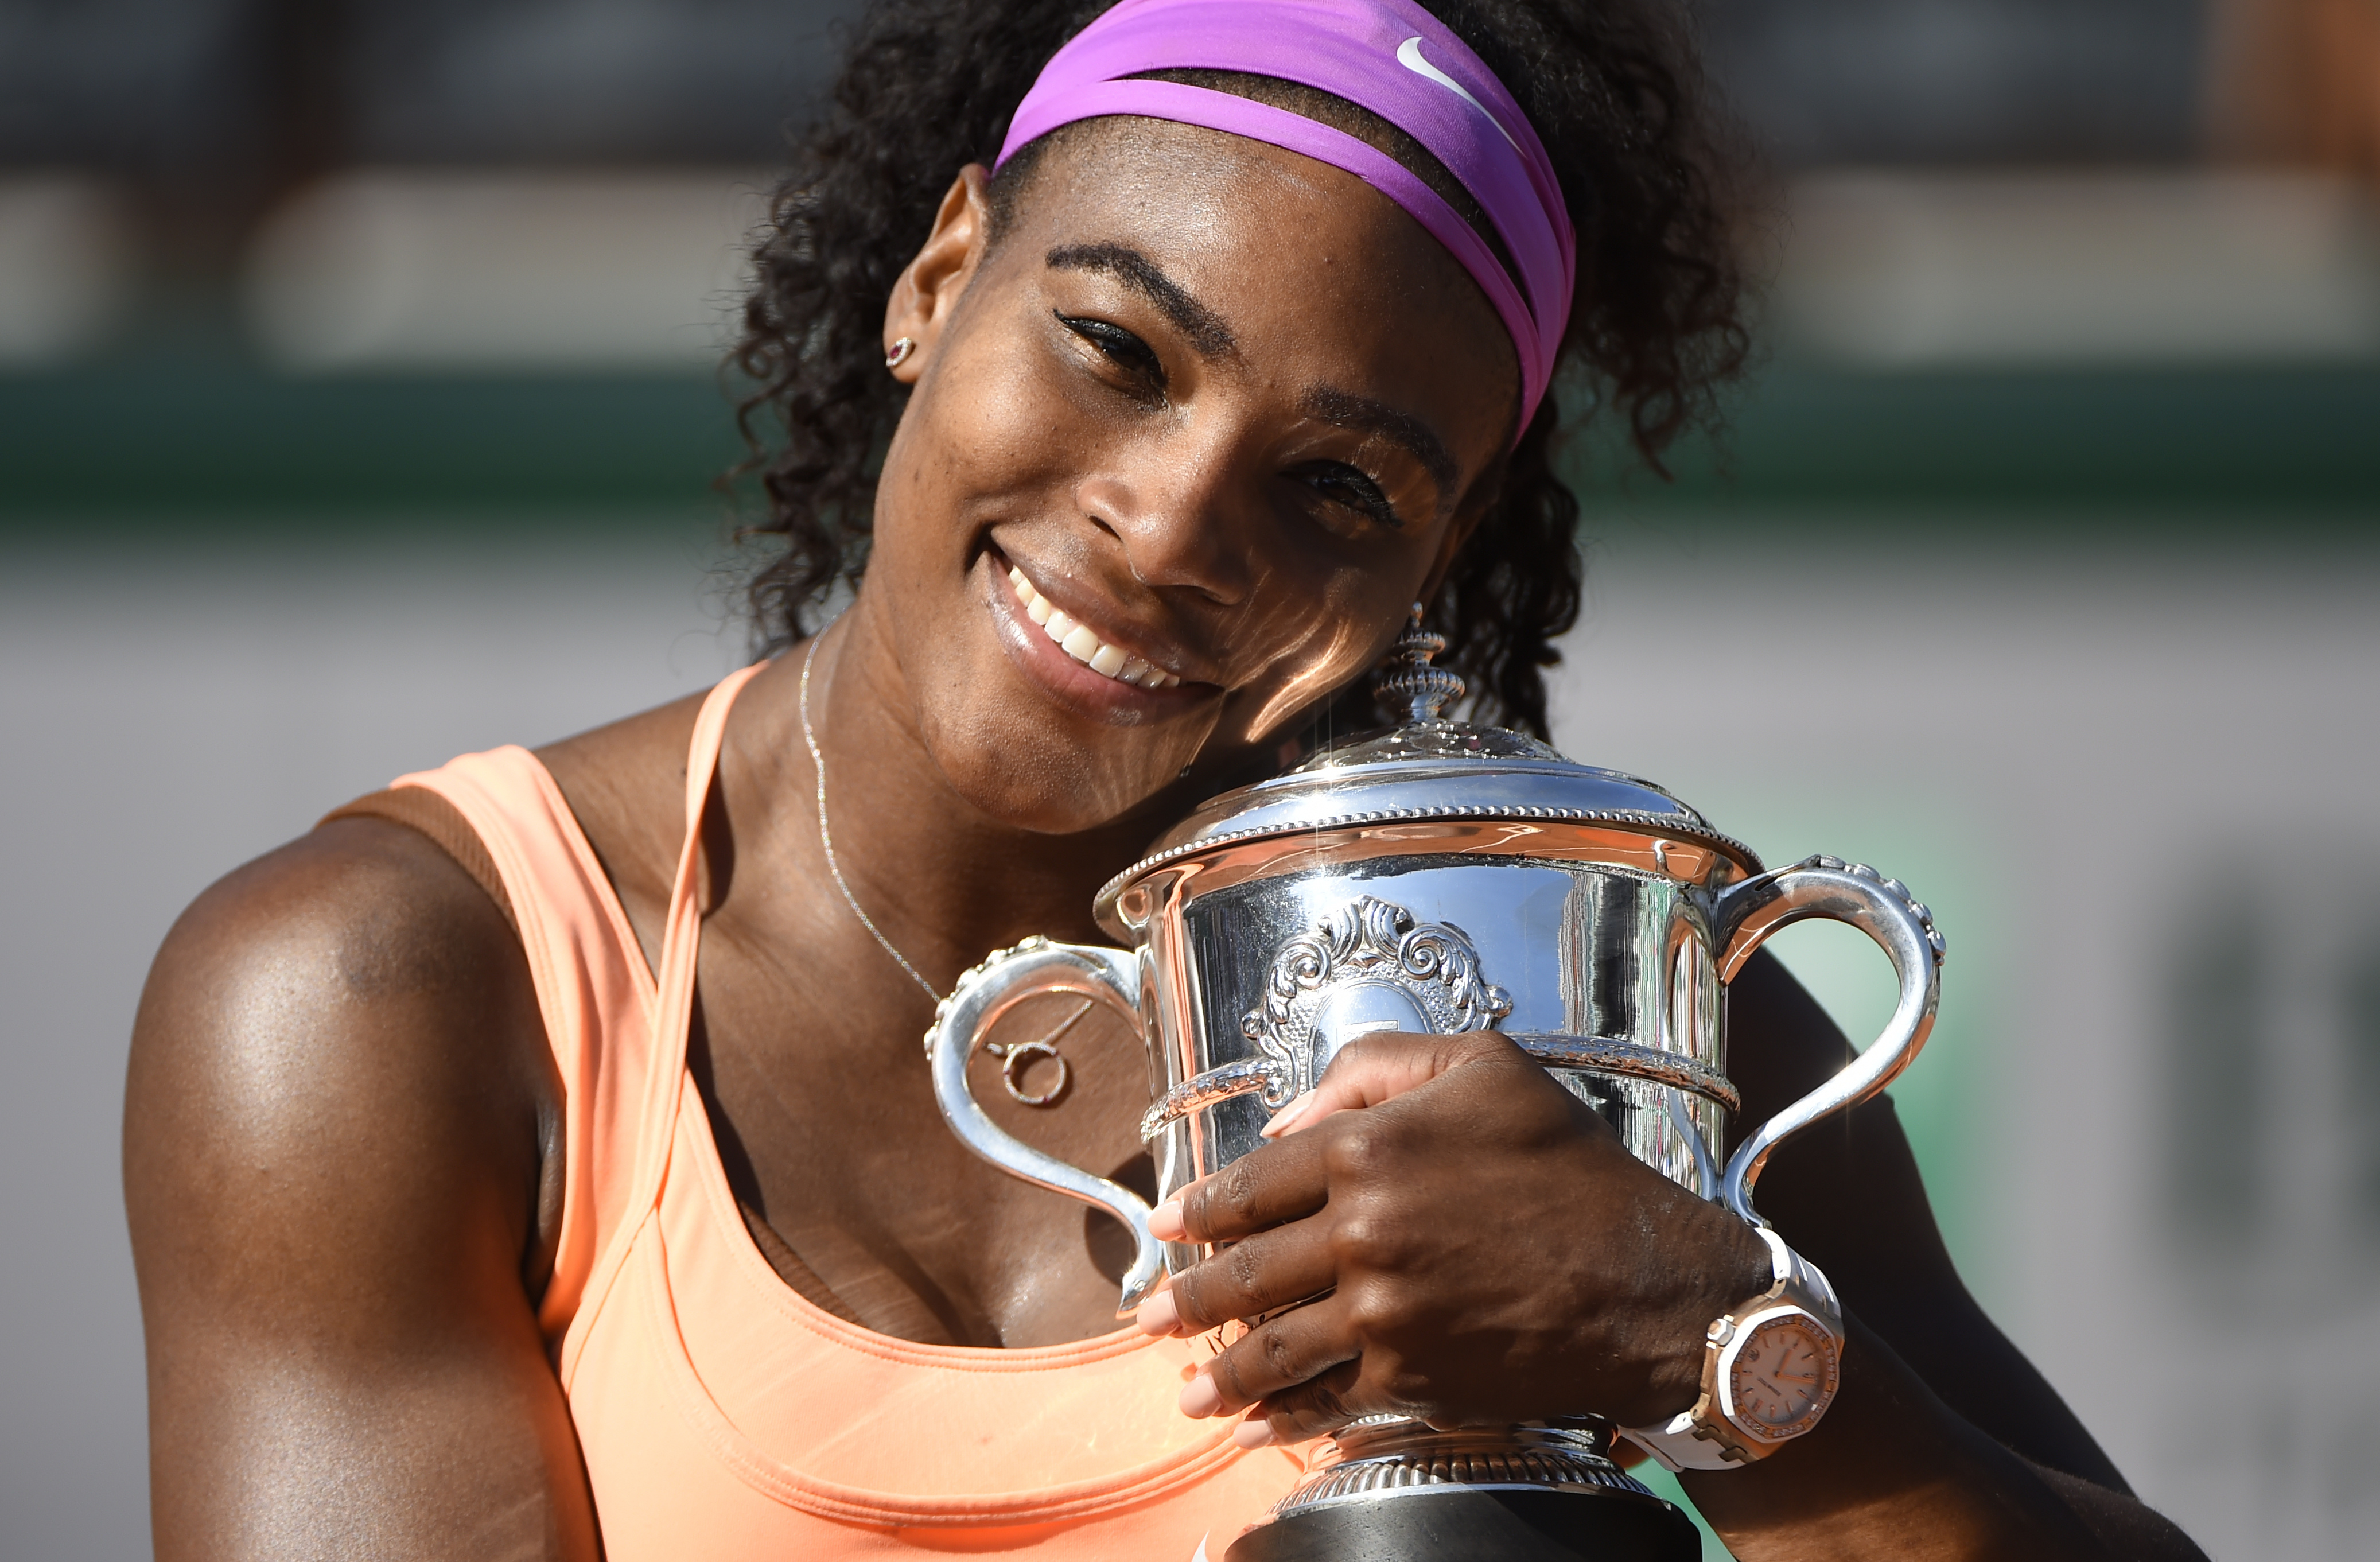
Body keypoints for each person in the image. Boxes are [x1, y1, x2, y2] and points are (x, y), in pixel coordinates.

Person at [125, 1, 2205, 1557]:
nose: (1170, 524)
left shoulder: (1620, 973)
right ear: (939, 282)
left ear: (1440, 557)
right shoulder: (382, 997)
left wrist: (1686, 1334)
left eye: (1334, 483)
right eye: (1118, 348)